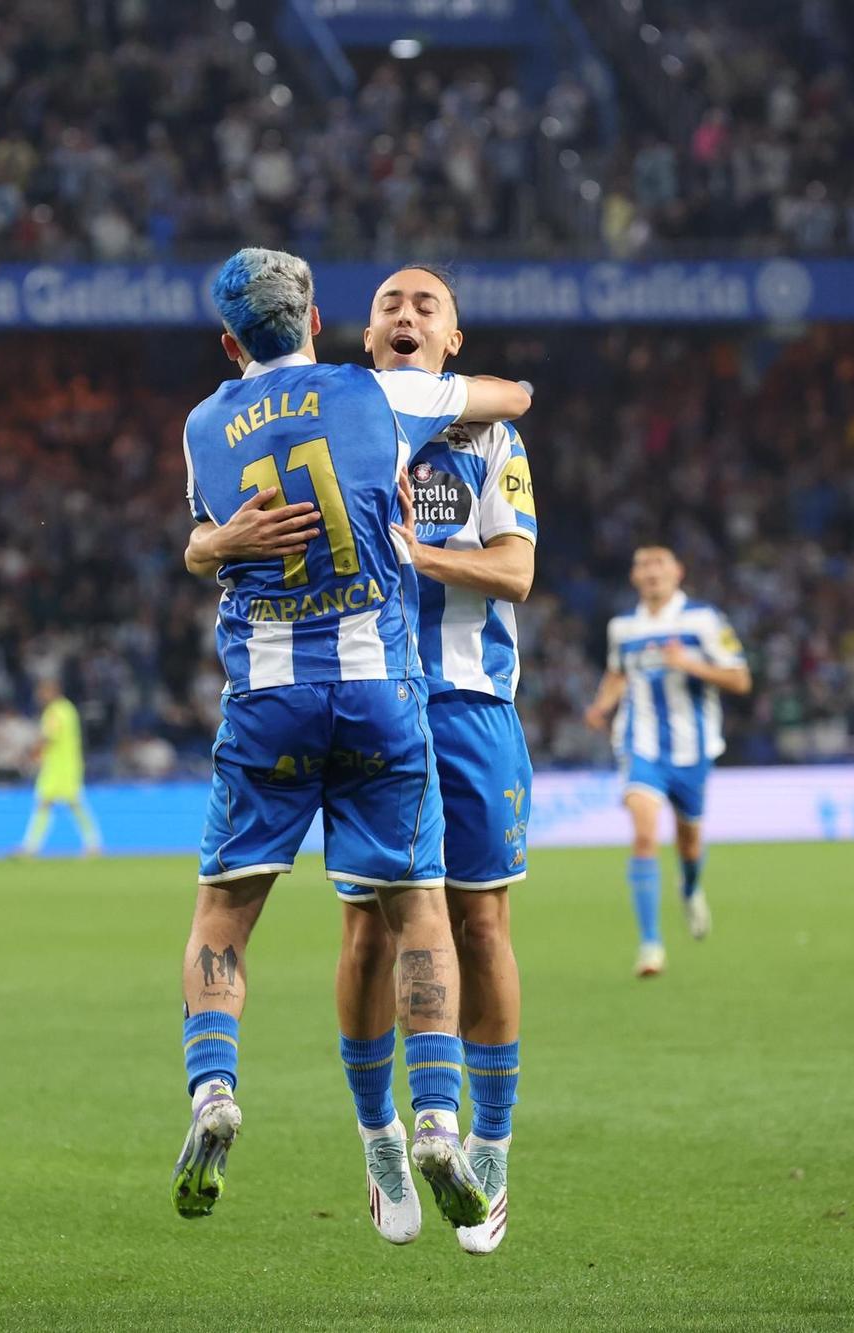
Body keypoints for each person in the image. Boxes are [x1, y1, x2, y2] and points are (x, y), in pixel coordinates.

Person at [171, 247, 532, 1227]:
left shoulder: (204, 424)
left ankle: (212, 1089)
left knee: (225, 912)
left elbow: (203, 538)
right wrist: (471, 391)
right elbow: (515, 393)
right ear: (329, 323)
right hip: (382, 693)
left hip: (269, 702)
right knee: (416, 912)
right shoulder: (374, 399)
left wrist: (213, 543)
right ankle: (425, 1122)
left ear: (227, 340)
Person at [584, 546, 750, 976]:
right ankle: (650, 944)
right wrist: (601, 705)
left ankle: (691, 889)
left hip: (692, 751)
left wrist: (690, 664)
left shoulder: (704, 619)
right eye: (642, 564)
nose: (651, 571)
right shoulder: (622, 627)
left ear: (678, 571)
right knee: (643, 835)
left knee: (688, 842)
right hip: (640, 746)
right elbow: (618, 672)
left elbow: (740, 678)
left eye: (660, 563)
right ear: (634, 576)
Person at [17, 677, 101, 857]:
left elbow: (48, 737)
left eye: (42, 692)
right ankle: (92, 843)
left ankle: (31, 847)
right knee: (61, 803)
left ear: (52, 691)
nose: (39, 696)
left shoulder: (55, 711)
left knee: (62, 803)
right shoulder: (69, 709)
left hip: (59, 766)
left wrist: (33, 754)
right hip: (68, 764)